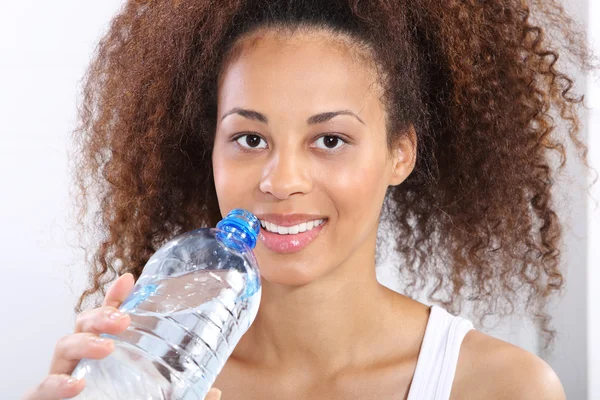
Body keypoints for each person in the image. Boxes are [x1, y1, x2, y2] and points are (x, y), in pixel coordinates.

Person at [23, 0, 596, 399]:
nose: (282, 180)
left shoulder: (500, 389)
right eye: (250, 139)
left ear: (400, 153)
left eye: (330, 140)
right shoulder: (143, 376)